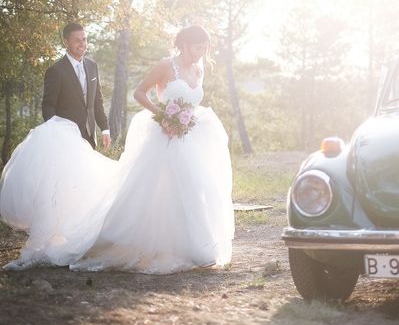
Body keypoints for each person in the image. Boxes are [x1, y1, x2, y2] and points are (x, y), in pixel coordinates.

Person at [0, 25, 234, 274]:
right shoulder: (166, 66)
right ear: (185, 44)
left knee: (193, 187)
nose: (202, 52)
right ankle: (124, 238)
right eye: (198, 47)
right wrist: (164, 114)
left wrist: (186, 119)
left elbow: (191, 101)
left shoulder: (199, 69)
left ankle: (197, 248)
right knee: (155, 190)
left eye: (205, 48)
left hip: (189, 138)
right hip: (163, 136)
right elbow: (140, 92)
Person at [42, 22, 111, 149]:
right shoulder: (55, 71)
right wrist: (55, 133)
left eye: (84, 39)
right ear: (66, 42)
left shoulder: (92, 66)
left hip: (90, 136)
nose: (82, 44)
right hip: (65, 138)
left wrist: (104, 128)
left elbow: (97, 100)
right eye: (77, 40)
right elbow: (48, 106)